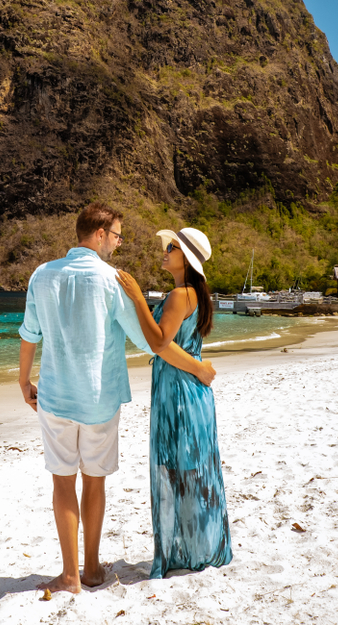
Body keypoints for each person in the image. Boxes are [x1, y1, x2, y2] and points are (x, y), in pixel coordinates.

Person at [18, 203, 216, 594]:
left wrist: (23, 381)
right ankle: (91, 569)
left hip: (55, 397)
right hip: (100, 400)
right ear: (99, 235)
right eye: (117, 235)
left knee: (62, 485)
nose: (119, 243)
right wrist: (193, 361)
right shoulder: (112, 280)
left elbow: (29, 333)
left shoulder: (42, 275)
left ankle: (70, 576)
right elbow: (151, 341)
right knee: (94, 483)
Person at [116, 227, 232, 579]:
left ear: (188, 258)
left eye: (172, 247)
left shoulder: (180, 294)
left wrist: (137, 298)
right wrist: (198, 367)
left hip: (179, 391)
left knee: (177, 469)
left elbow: (158, 342)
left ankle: (184, 551)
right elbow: (167, 344)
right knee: (194, 470)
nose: (164, 250)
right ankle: (199, 547)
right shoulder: (195, 293)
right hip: (192, 390)